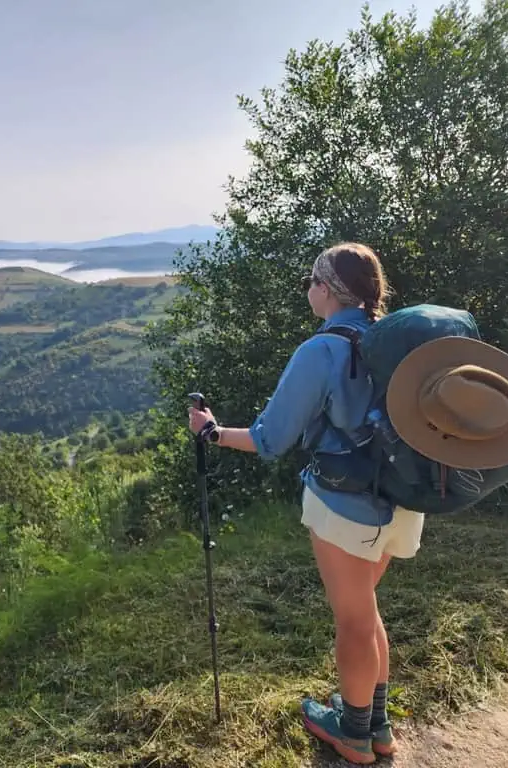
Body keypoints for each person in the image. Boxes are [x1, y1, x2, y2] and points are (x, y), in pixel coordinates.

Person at [188, 242, 415, 765]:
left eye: (312, 280)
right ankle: (374, 724)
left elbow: (272, 439)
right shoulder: (390, 339)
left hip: (347, 504)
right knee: (366, 607)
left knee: (353, 617)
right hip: (403, 494)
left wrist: (212, 432)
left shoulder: (323, 350)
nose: (307, 289)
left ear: (330, 290)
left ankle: (354, 733)